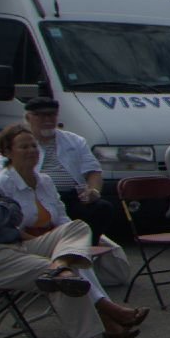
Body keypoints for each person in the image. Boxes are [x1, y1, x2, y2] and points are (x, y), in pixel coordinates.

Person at [0, 125, 150, 338]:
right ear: (8, 152)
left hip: (54, 240)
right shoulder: (1, 184)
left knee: (73, 246)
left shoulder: (44, 180)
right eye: (23, 147)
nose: (31, 150)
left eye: (33, 146)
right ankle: (108, 309)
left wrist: (66, 240)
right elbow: (10, 229)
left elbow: (62, 217)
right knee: (70, 260)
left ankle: (107, 321)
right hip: (23, 243)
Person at [0, 171, 133, 338]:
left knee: (76, 227)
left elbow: (14, 210)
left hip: (15, 243)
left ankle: (60, 263)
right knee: (64, 281)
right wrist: (2, 208)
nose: (31, 151)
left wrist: (0, 210)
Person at [22, 97, 114, 244]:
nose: (47, 119)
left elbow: (94, 172)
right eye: (41, 115)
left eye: (52, 115)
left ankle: (87, 249)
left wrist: (93, 192)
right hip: (37, 198)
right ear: (28, 117)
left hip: (72, 196)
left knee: (102, 208)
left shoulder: (75, 141)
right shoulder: (19, 144)